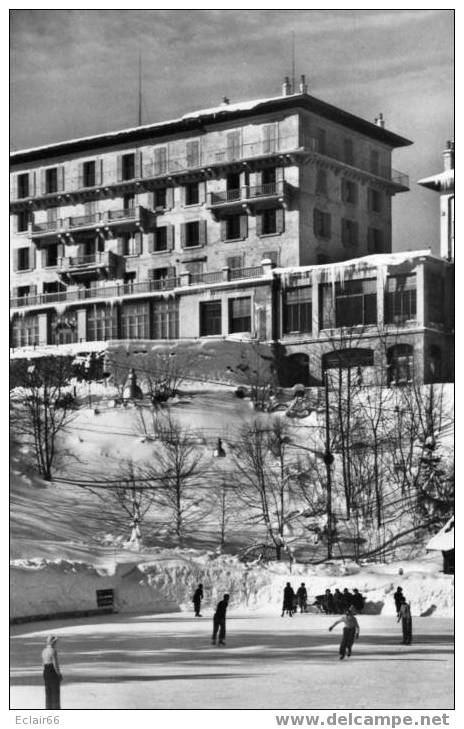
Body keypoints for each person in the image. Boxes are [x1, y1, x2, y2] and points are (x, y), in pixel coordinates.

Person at [42, 635, 62, 709]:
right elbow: (55, 665)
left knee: (48, 692)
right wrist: (59, 674)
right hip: (52, 671)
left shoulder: (44, 651)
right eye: (55, 642)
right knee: (55, 692)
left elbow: (43, 663)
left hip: (45, 671)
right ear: (53, 643)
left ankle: (48, 708)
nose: (56, 643)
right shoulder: (53, 651)